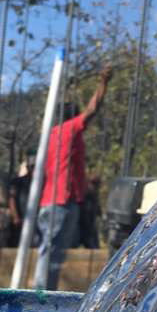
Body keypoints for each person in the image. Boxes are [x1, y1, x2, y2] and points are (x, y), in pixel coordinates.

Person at [34, 68, 113, 291]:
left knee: (53, 253)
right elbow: (92, 110)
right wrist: (103, 82)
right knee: (50, 253)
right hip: (60, 203)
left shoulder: (52, 135)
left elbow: (64, 167)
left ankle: (45, 292)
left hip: (55, 201)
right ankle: (41, 294)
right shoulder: (67, 129)